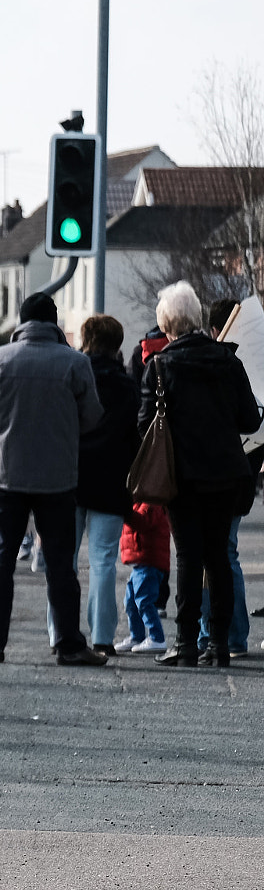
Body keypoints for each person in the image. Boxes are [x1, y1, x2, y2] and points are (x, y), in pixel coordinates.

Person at [0, 292, 106, 666]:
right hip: (58, 477)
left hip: (8, 475)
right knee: (61, 565)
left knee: (1, 561)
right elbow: (92, 417)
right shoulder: (76, 363)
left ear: (22, 322)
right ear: (54, 322)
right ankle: (70, 645)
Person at [138, 282, 262, 667]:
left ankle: (186, 642)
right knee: (219, 558)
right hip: (226, 473)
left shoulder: (159, 367)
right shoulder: (230, 362)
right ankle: (220, 644)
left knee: (189, 557)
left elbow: (144, 426)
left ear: (166, 325)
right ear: (197, 319)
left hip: (183, 478)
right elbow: (250, 418)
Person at [48, 314, 139, 655]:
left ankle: (60, 632)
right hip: (111, 480)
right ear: (117, 344)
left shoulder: (70, 376)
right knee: (103, 560)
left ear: (85, 340)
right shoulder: (128, 385)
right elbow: (134, 437)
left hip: (69, 478)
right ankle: (102, 637)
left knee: (64, 559)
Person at [197, 299, 258, 661]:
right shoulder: (247, 363)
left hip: (209, 472)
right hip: (240, 470)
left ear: (214, 329)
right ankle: (231, 634)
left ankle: (218, 633)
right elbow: (252, 420)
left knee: (214, 554)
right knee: (225, 552)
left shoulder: (214, 363)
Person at [115, 501, 169, 654]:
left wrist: (125, 511)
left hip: (149, 563)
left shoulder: (152, 503)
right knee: (131, 602)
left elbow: (142, 522)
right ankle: (137, 636)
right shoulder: (139, 502)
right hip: (140, 563)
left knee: (144, 601)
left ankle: (157, 638)